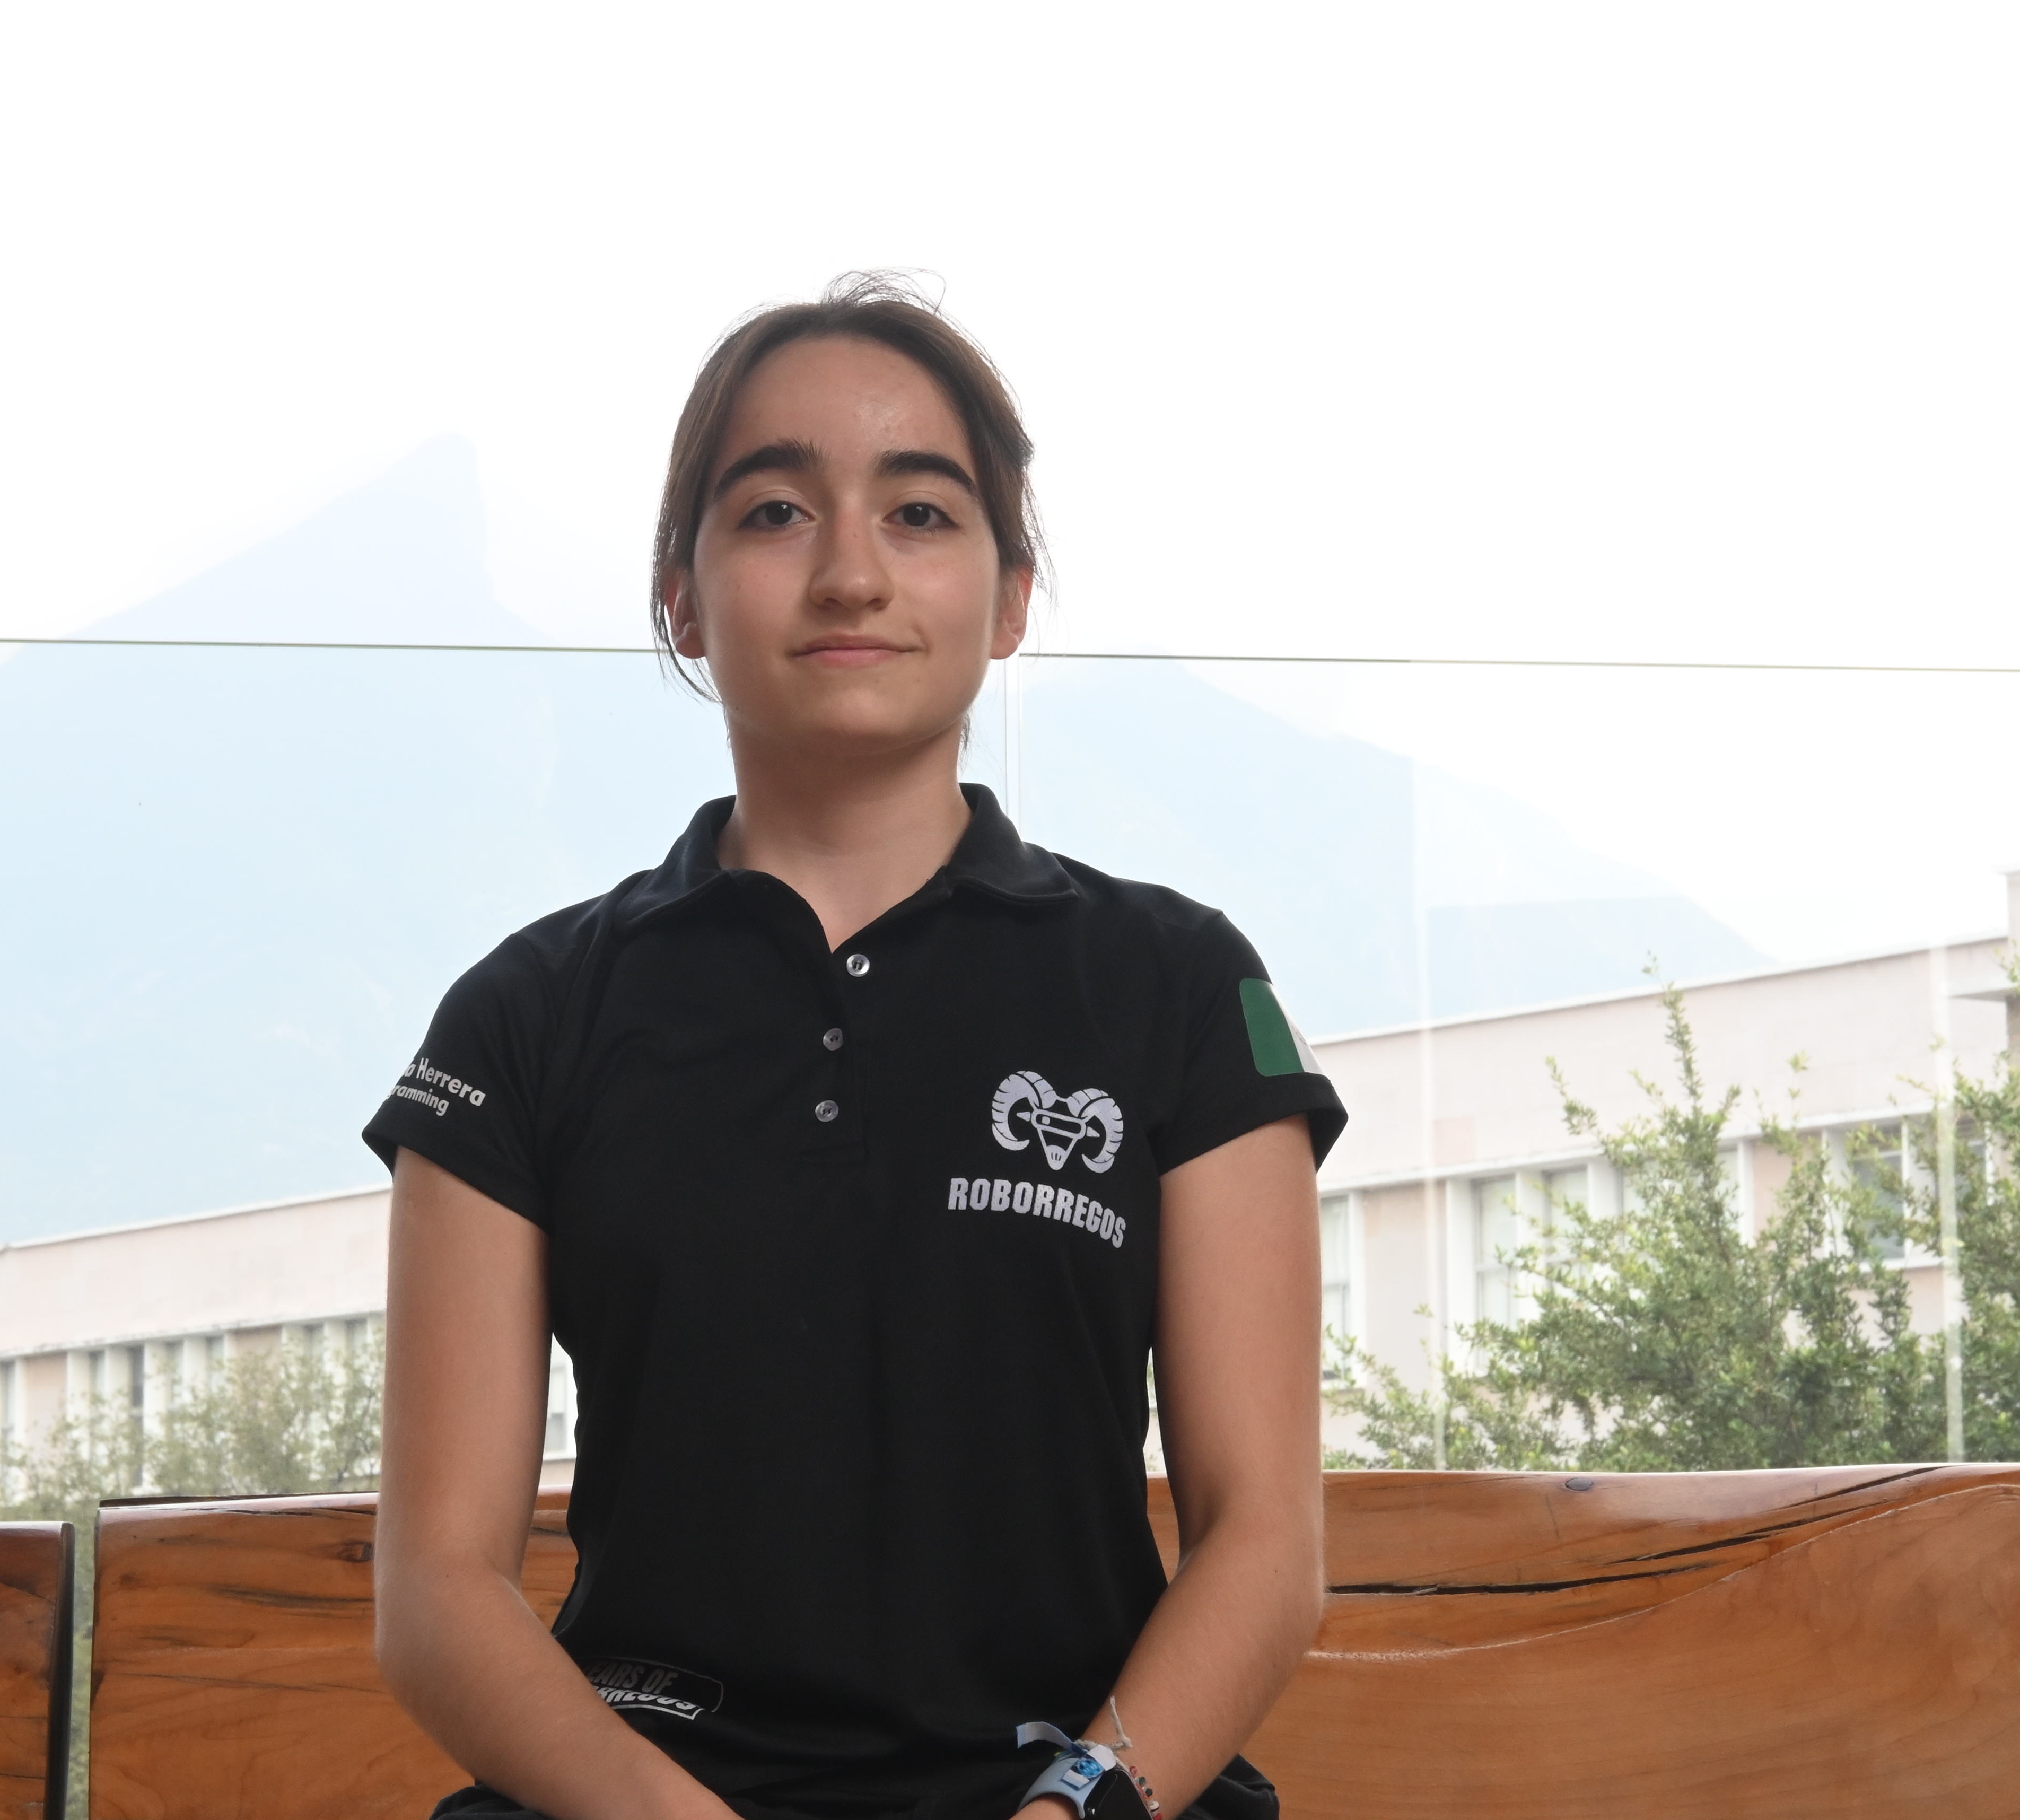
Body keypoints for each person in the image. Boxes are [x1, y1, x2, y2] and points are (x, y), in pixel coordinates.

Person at [365, 276, 1346, 1820]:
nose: (849, 573)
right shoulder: (524, 1016)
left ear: (1010, 599)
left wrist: (1074, 1803)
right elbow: (436, 1588)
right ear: (682, 598)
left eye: (920, 514)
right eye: (773, 512)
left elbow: (1266, 1545)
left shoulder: (1175, 985)